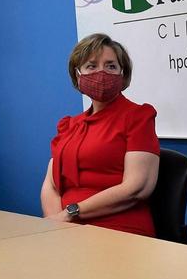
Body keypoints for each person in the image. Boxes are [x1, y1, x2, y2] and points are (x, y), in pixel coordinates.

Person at [41, 33, 160, 236]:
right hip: (67, 230)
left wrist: (70, 213)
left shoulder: (138, 117)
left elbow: (137, 188)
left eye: (111, 66)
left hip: (119, 229)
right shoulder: (69, 125)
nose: (101, 73)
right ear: (78, 76)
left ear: (123, 75)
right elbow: (51, 185)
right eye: (91, 66)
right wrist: (56, 226)